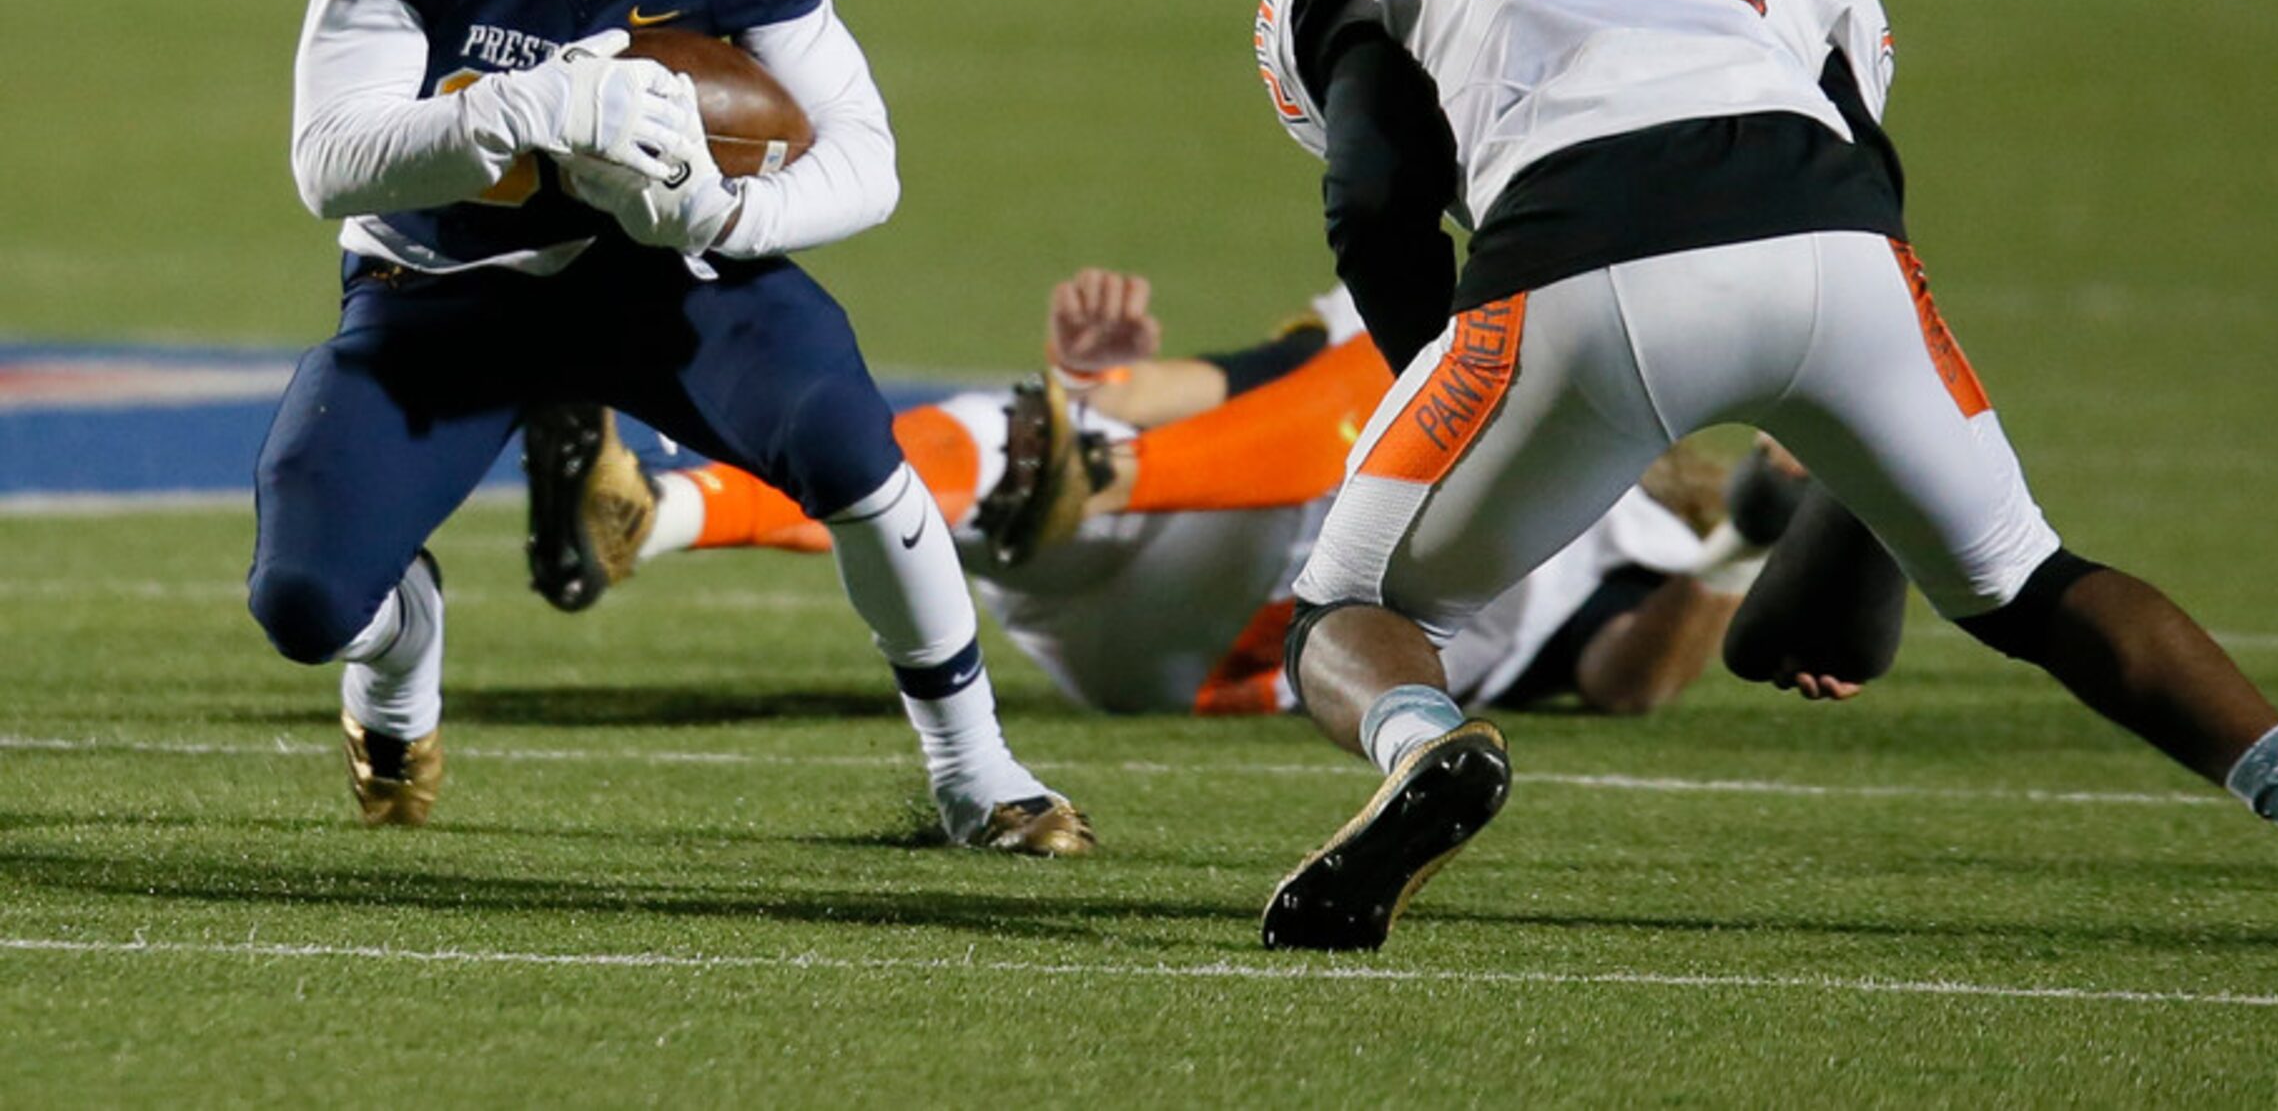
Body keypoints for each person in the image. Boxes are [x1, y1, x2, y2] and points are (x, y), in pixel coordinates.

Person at [1245, 0, 2278, 951]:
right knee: (2032, 582)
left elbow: (1379, 194)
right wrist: (1860, 493)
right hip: (1846, 262)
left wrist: (1442, 384)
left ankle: (1424, 748)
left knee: (1347, 606)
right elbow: (1870, 181)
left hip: (1582, 245)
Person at [250, 0, 1090, 855]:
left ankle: (980, 771)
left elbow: (866, 160)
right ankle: (403, 641)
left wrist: (717, 215)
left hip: (664, 279)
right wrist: (529, 110)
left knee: (854, 455)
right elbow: (334, 163)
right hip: (441, 290)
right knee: (306, 601)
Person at [520, 267, 1797, 720]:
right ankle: (662, 512)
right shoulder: (1488, 329)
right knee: (1019, 435)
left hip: (1240, 638)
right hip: (1172, 566)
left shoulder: (1626, 529)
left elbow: (1634, 679)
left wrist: (1745, 537)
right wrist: (1100, 397)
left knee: (1393, 365)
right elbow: (1257, 375)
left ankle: (1096, 469)